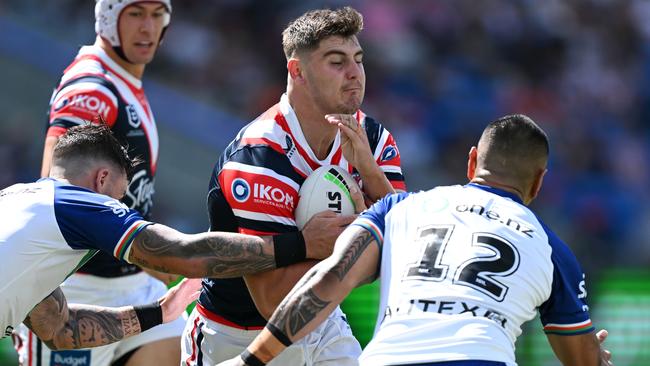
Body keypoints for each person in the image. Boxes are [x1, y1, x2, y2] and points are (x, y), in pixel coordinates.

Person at [221, 115, 614, 366]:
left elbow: (327, 282)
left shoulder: (400, 209)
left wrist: (251, 361)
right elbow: (580, 360)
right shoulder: (551, 249)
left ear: (473, 160)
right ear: (539, 181)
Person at [181, 6, 406, 366]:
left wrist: (371, 173)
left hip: (323, 323)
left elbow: (406, 247)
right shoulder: (260, 155)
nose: (355, 74)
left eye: (358, 60)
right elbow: (272, 300)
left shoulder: (374, 141)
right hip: (239, 336)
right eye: (337, 62)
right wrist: (355, 249)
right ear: (297, 71)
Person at [1, 124, 334, 355]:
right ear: (102, 179)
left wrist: (161, 312)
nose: (116, 207)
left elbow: (61, 329)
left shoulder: (17, 201)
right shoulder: (78, 202)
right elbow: (178, 253)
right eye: (118, 198)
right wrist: (301, 245)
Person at [15, 1, 182, 365]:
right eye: (136, 13)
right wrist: (147, 251)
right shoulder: (93, 87)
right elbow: (56, 193)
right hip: (77, 292)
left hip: (134, 285)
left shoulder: (122, 79)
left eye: (158, 15)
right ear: (107, 17)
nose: (148, 28)